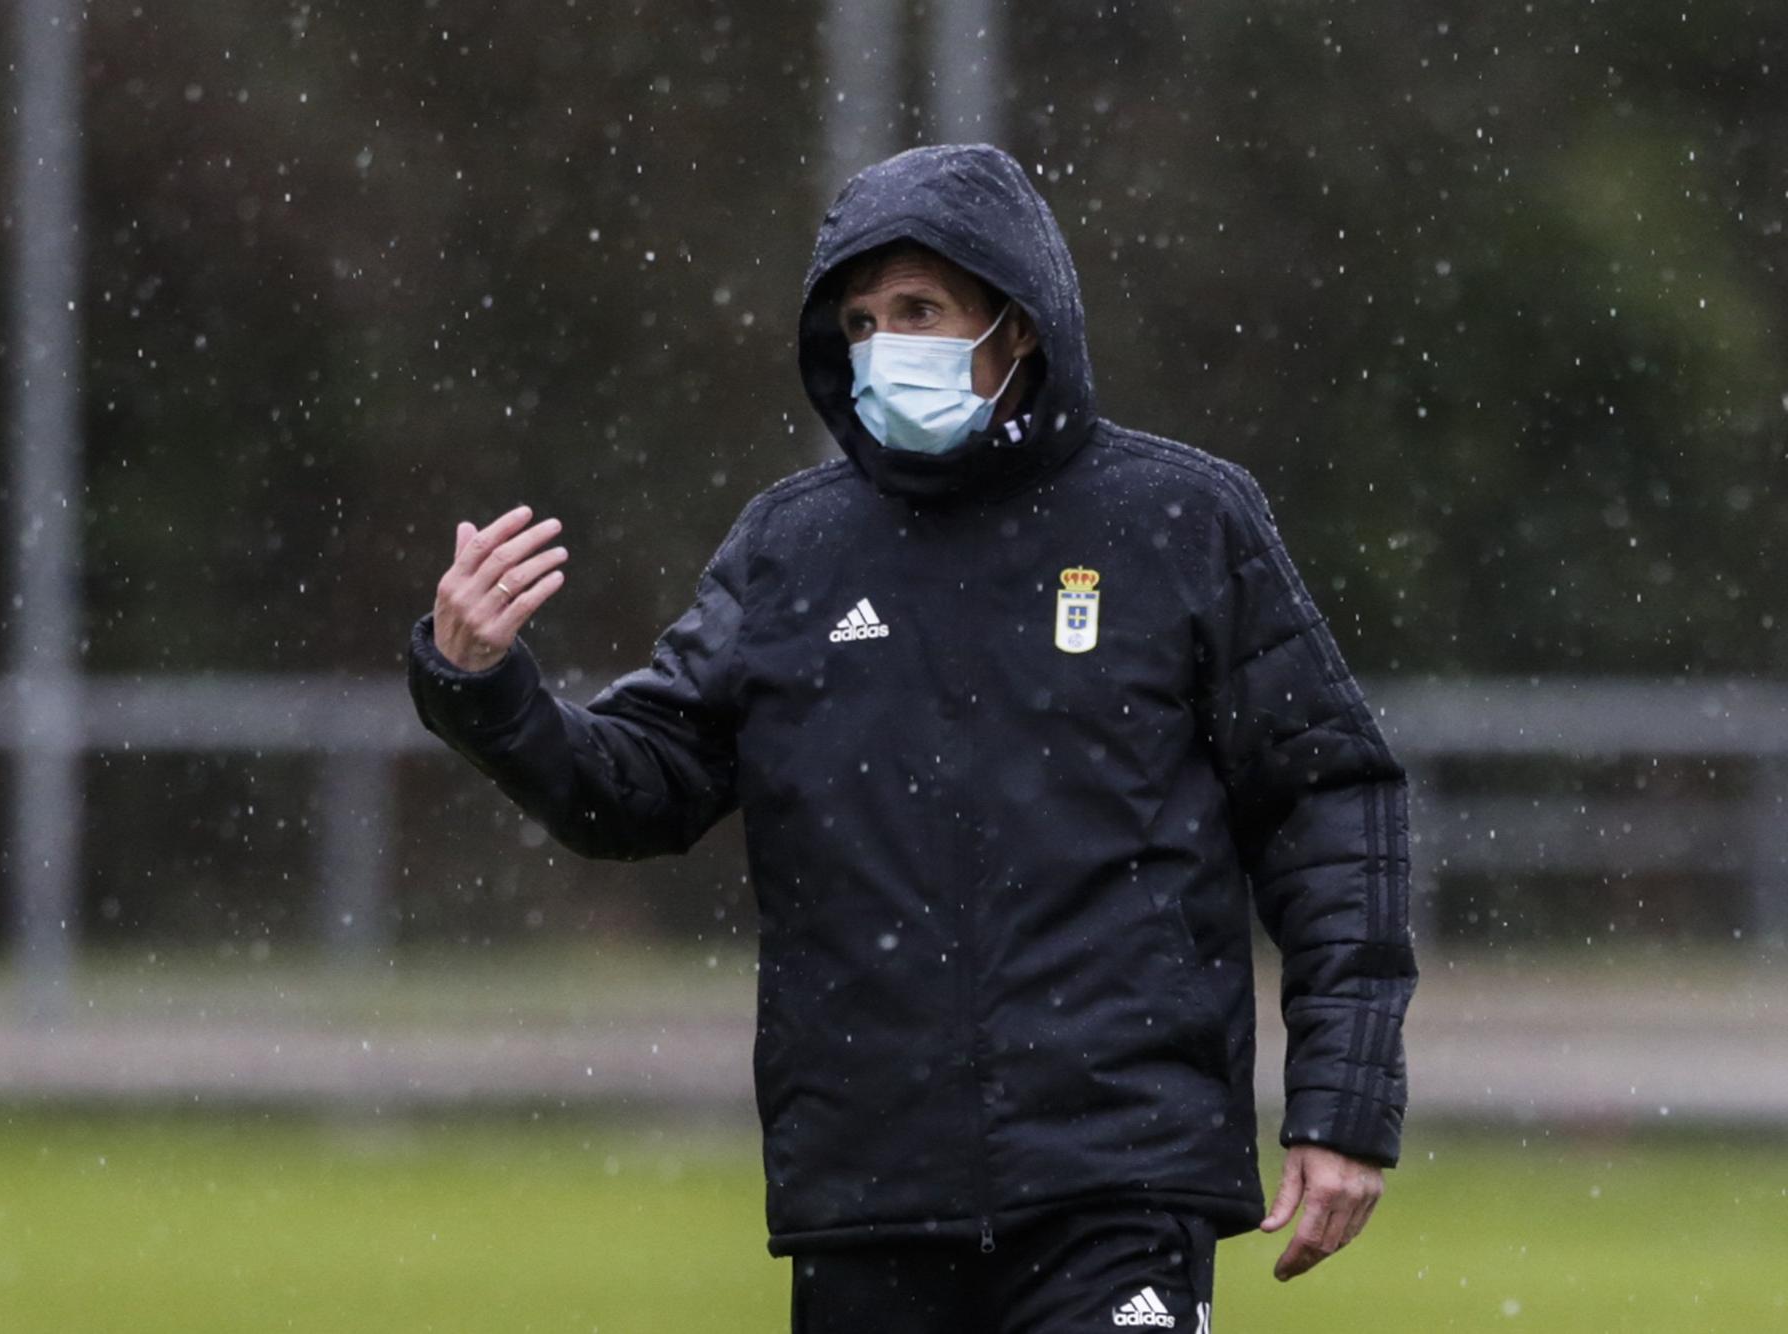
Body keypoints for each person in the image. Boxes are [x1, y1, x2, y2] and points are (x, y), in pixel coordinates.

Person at [408, 142, 1415, 1333]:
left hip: (1115, 1185)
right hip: (869, 1194)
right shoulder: (789, 549)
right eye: (863, 318)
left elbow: (1330, 803)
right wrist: (482, 684)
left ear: (1017, 324)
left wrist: (1342, 1098)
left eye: (921, 309)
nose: (889, 344)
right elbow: (636, 787)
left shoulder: (1183, 520)